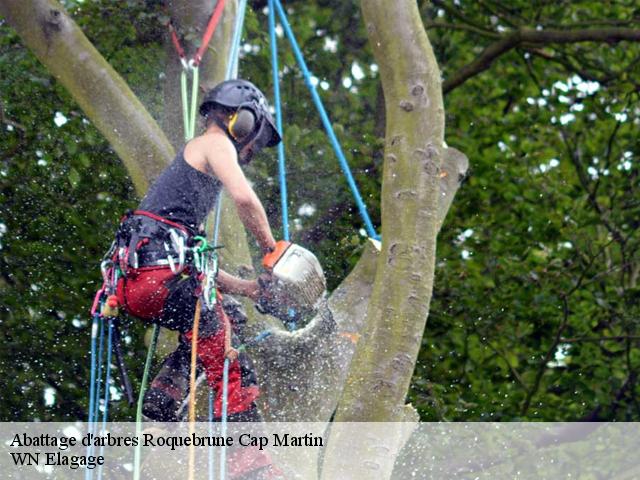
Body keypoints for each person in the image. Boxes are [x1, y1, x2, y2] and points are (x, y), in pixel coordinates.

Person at [110, 79, 280, 437]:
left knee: (223, 315)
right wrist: (271, 249)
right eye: (255, 137)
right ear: (242, 121)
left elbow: (197, 267)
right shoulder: (216, 144)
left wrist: (250, 289)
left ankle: (163, 398)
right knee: (231, 360)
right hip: (155, 279)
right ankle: (251, 464)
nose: (252, 149)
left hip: (141, 284)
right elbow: (246, 199)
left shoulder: (185, 196)